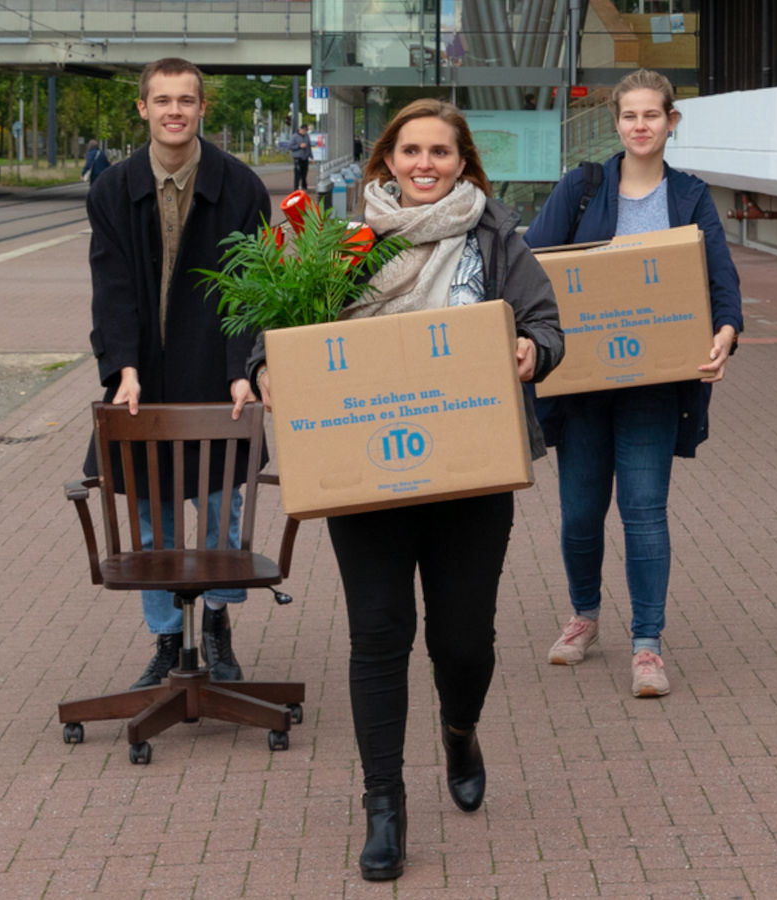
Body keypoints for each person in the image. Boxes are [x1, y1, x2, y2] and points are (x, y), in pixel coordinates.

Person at [253, 98, 564, 882]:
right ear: (386, 160)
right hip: (367, 479)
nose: (425, 165)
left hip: (471, 477)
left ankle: (459, 727)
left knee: (463, 641)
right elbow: (279, 334)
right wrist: (265, 374)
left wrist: (532, 348)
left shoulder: (496, 237)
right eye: (411, 151)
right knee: (379, 638)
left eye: (441, 153)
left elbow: (547, 324)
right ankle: (383, 804)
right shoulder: (342, 243)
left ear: (464, 164)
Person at [523, 68, 744, 696]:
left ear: (671, 122)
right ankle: (585, 617)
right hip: (583, 382)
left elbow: (719, 280)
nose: (640, 126)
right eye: (629, 116)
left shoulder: (691, 197)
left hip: (654, 385)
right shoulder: (584, 188)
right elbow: (535, 265)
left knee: (644, 512)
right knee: (580, 514)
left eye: (652, 115)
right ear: (615, 123)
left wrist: (725, 333)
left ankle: (647, 645)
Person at [84, 58, 272, 691]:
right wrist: (123, 370)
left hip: (217, 376)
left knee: (222, 509)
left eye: (185, 100)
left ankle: (216, 622)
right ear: (142, 108)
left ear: (201, 109)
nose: (173, 110)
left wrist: (245, 369)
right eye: (162, 100)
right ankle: (167, 637)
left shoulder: (241, 188)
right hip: (146, 378)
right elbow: (111, 288)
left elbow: (252, 289)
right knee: (152, 516)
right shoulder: (112, 190)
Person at [289, 123, 311, 192]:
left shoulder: (307, 136)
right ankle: (296, 188)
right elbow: (290, 147)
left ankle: (304, 187)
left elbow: (309, 146)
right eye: (304, 130)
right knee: (297, 173)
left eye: (306, 131)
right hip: (297, 158)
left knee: (304, 174)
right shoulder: (294, 136)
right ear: (301, 129)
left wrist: (311, 156)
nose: (305, 132)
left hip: (305, 157)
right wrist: (299, 146)